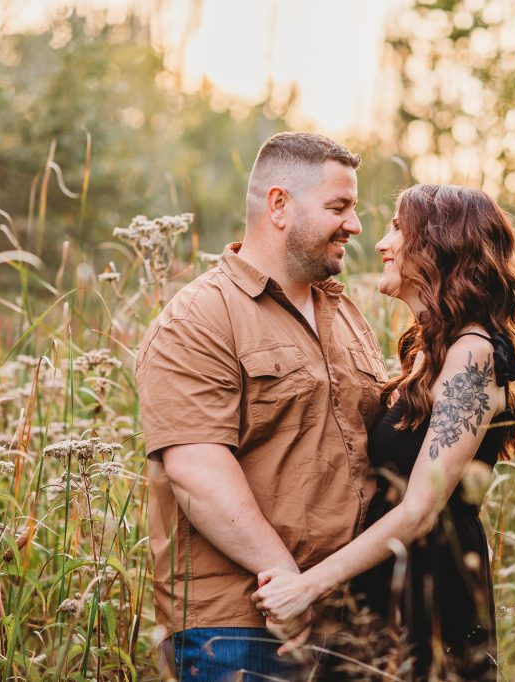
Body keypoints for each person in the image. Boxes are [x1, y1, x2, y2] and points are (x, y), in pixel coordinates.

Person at [134, 132, 388, 680]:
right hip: (237, 628)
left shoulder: (346, 315)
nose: (355, 225)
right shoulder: (199, 319)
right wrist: (286, 578)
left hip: (347, 620)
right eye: (339, 207)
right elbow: (197, 468)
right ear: (279, 205)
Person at [253, 184, 515, 681]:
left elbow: (421, 509)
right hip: (391, 576)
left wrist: (307, 587)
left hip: (430, 589)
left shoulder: (474, 353)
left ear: (440, 245)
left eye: (399, 229)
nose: (382, 243)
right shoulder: (430, 349)